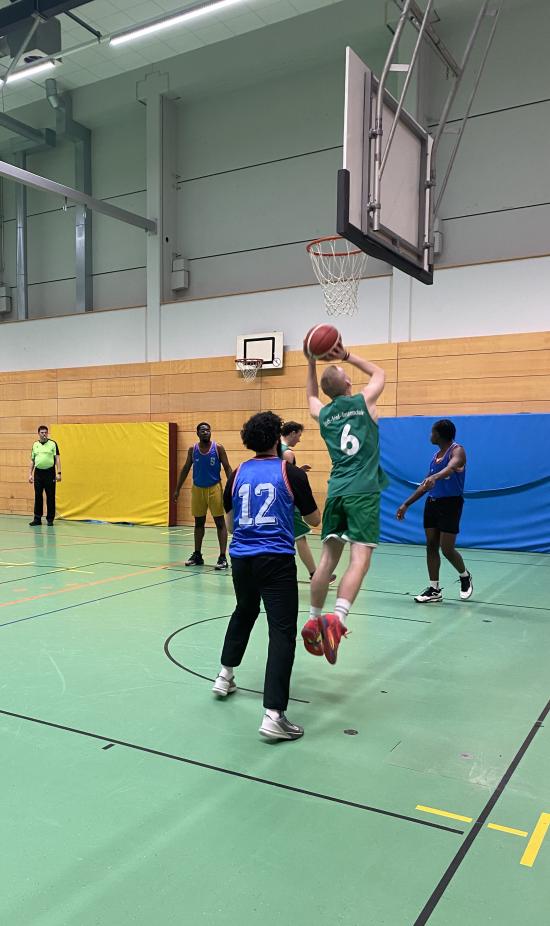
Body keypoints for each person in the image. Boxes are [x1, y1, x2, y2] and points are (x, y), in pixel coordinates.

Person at [213, 411, 320, 741]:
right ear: (278, 437)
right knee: (282, 632)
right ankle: (274, 714)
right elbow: (314, 520)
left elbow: (230, 526)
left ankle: (224, 674)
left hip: (241, 559)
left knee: (244, 611)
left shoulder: (238, 473)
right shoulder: (290, 473)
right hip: (275, 560)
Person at [301, 339, 388, 665]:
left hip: (336, 490)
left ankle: (312, 618)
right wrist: (347, 354)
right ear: (349, 382)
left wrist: (311, 362)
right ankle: (337, 620)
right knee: (360, 559)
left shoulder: (323, 413)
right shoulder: (365, 402)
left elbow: (310, 396)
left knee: (327, 561)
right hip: (363, 491)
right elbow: (379, 372)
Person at [396, 419, 473, 603]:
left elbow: (452, 467)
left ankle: (464, 576)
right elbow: (425, 485)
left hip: (451, 504)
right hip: (432, 503)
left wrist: (436, 476)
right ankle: (434, 589)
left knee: (447, 549)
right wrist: (406, 504)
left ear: (439, 434)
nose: (430, 435)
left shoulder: (457, 450)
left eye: (432, 432)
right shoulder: (435, 456)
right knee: (431, 545)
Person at [280, 420, 335, 583]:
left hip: (277, 502)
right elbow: (285, 479)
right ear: (292, 433)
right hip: (287, 502)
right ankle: (314, 574)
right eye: (299, 436)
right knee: (300, 536)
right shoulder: (287, 453)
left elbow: (280, 473)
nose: (299, 439)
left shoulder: (275, 448)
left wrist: (297, 470)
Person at [174, 422, 232, 569]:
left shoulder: (218, 448)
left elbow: (227, 467)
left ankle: (222, 557)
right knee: (199, 522)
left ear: (210, 432)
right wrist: (177, 489)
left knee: (219, 523)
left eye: (208, 430)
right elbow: (186, 468)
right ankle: (197, 555)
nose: (205, 432)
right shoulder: (192, 450)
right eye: (202, 430)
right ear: (197, 433)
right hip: (197, 489)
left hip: (214, 488)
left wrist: (232, 487)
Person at [28, 425, 61, 527]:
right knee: (38, 496)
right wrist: (30, 474)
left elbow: (57, 459)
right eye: (42, 432)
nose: (44, 434)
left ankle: (50, 519)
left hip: (49, 473)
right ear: (38, 434)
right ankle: (37, 518)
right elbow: (32, 460)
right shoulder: (35, 445)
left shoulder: (53, 444)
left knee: (50, 496)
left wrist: (59, 473)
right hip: (38, 473)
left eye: (46, 432)